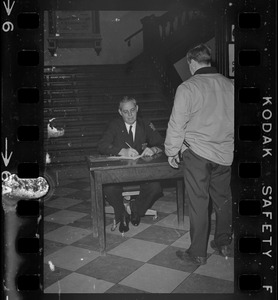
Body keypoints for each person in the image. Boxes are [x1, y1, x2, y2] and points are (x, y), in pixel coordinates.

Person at [164, 44, 234, 265]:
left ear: (192, 63)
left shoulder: (188, 87)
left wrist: (171, 151)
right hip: (224, 153)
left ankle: (197, 253)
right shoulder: (230, 85)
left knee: (199, 203)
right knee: (223, 200)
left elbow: (177, 124)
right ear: (208, 61)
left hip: (197, 154)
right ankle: (223, 243)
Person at [98, 96, 164, 233]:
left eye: (132, 110)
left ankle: (135, 210)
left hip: (141, 173)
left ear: (137, 109)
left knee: (155, 187)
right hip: (119, 173)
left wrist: (153, 149)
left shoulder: (145, 124)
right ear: (120, 112)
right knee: (109, 188)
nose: (129, 115)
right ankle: (121, 213)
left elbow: (161, 143)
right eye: (125, 111)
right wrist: (122, 151)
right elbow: (102, 146)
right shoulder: (114, 125)